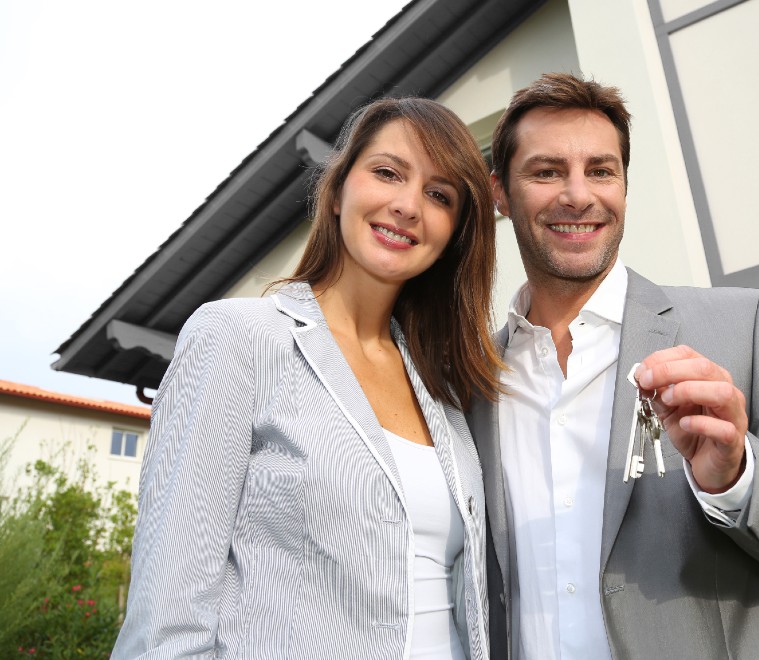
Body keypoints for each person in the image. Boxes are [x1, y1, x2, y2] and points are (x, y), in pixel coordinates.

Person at [468, 73, 759, 659]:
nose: (579, 195)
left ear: (625, 185)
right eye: (547, 172)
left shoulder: (739, 324)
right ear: (500, 193)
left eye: (601, 171)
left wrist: (737, 476)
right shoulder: (472, 382)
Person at [114, 97, 503, 658]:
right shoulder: (239, 338)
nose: (407, 205)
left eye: (439, 195)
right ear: (340, 187)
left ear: (456, 232)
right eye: (388, 172)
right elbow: (165, 622)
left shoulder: (443, 385)